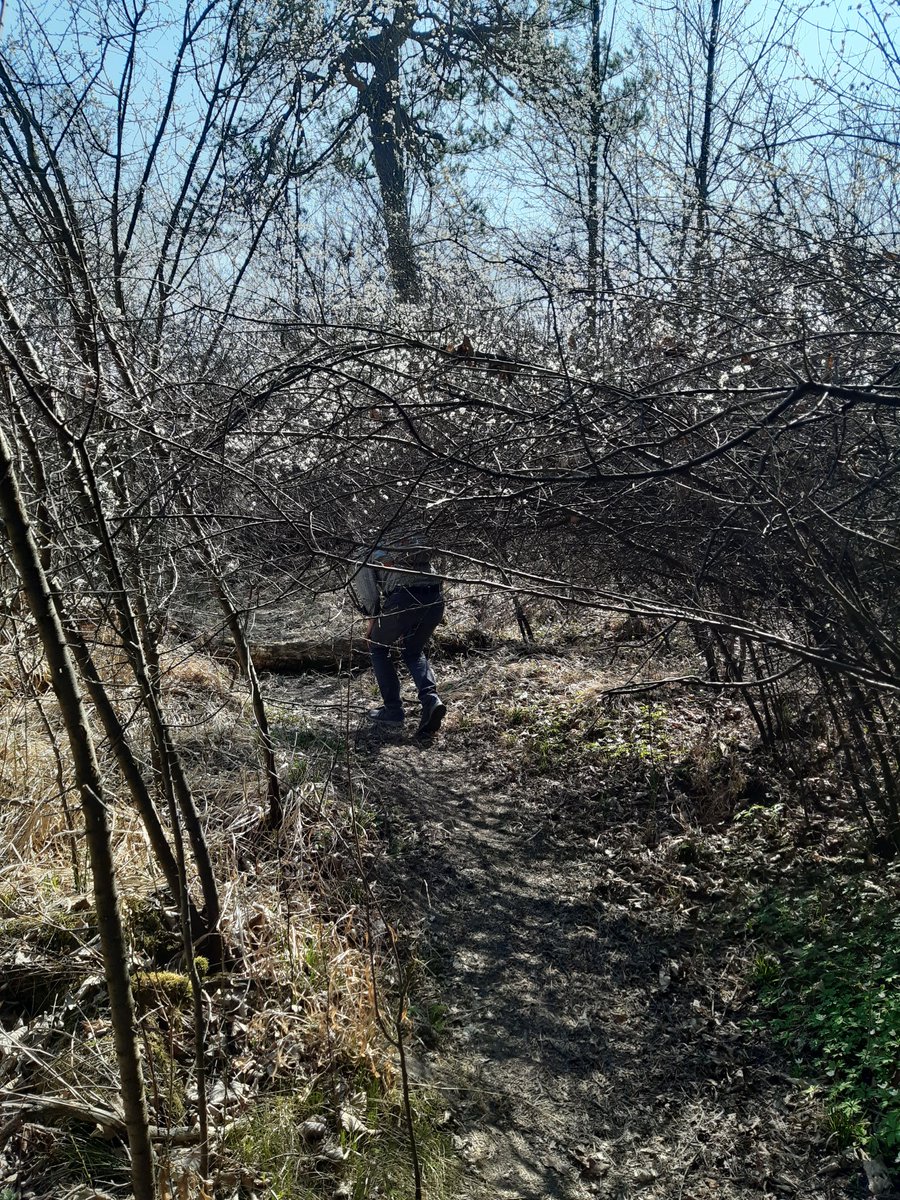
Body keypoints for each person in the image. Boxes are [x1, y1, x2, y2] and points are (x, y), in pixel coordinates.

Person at [349, 533, 447, 738]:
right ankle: (431, 700)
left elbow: (370, 596)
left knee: (376, 646)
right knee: (413, 651)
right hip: (435, 598)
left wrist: (371, 625)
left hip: (404, 598)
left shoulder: (364, 550)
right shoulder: (411, 539)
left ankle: (393, 710)